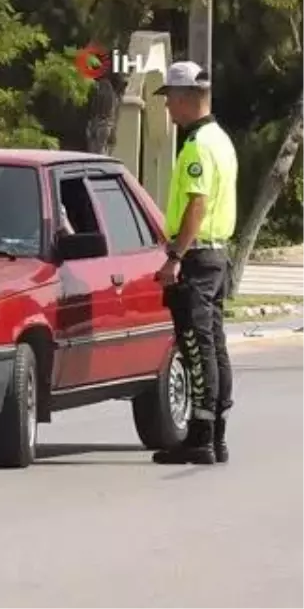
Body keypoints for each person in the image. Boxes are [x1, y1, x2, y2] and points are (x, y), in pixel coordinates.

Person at [151, 60, 238, 465]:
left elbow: (197, 204)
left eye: (170, 99)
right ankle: (216, 435)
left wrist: (174, 256)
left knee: (195, 343)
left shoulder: (197, 147)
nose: (168, 108)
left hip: (198, 255)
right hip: (217, 254)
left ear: (186, 99)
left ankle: (201, 437)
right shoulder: (221, 139)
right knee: (214, 344)